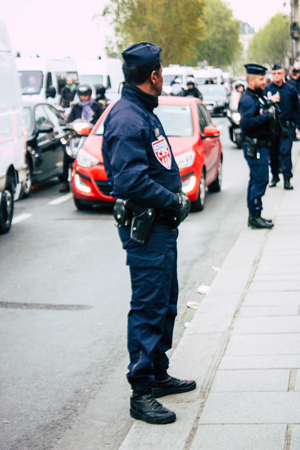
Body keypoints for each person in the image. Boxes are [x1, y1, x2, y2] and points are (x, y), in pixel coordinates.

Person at [102, 42, 196, 425]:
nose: (163, 78)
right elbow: (130, 180)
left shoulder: (143, 110)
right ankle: (141, 392)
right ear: (153, 75)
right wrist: (171, 200)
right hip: (147, 227)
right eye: (162, 72)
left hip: (159, 227)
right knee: (148, 306)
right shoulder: (127, 117)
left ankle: (157, 373)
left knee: (165, 301)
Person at [238, 63, 275, 229]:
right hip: (255, 147)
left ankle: (255, 215)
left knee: (256, 180)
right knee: (260, 180)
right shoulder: (247, 99)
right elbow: (245, 124)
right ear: (251, 81)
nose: (264, 82)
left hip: (261, 146)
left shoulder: (257, 97)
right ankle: (254, 216)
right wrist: (266, 117)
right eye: (261, 79)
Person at [59, 84, 104, 193]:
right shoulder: (76, 107)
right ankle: (65, 182)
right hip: (77, 137)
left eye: (86, 95)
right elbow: (69, 121)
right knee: (67, 156)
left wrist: (93, 127)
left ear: (89, 95)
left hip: (91, 138)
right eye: (81, 95)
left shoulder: (97, 107)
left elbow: (101, 121)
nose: (84, 97)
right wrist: (69, 126)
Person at [265, 64, 300, 189]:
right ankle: (275, 176)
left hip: (287, 127)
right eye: (274, 74)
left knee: (285, 152)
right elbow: (262, 107)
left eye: (278, 73)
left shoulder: (291, 90)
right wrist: (270, 101)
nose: (276, 76)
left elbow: (297, 109)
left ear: (283, 74)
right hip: (272, 127)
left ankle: (287, 178)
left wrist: (299, 126)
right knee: (273, 153)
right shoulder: (267, 89)